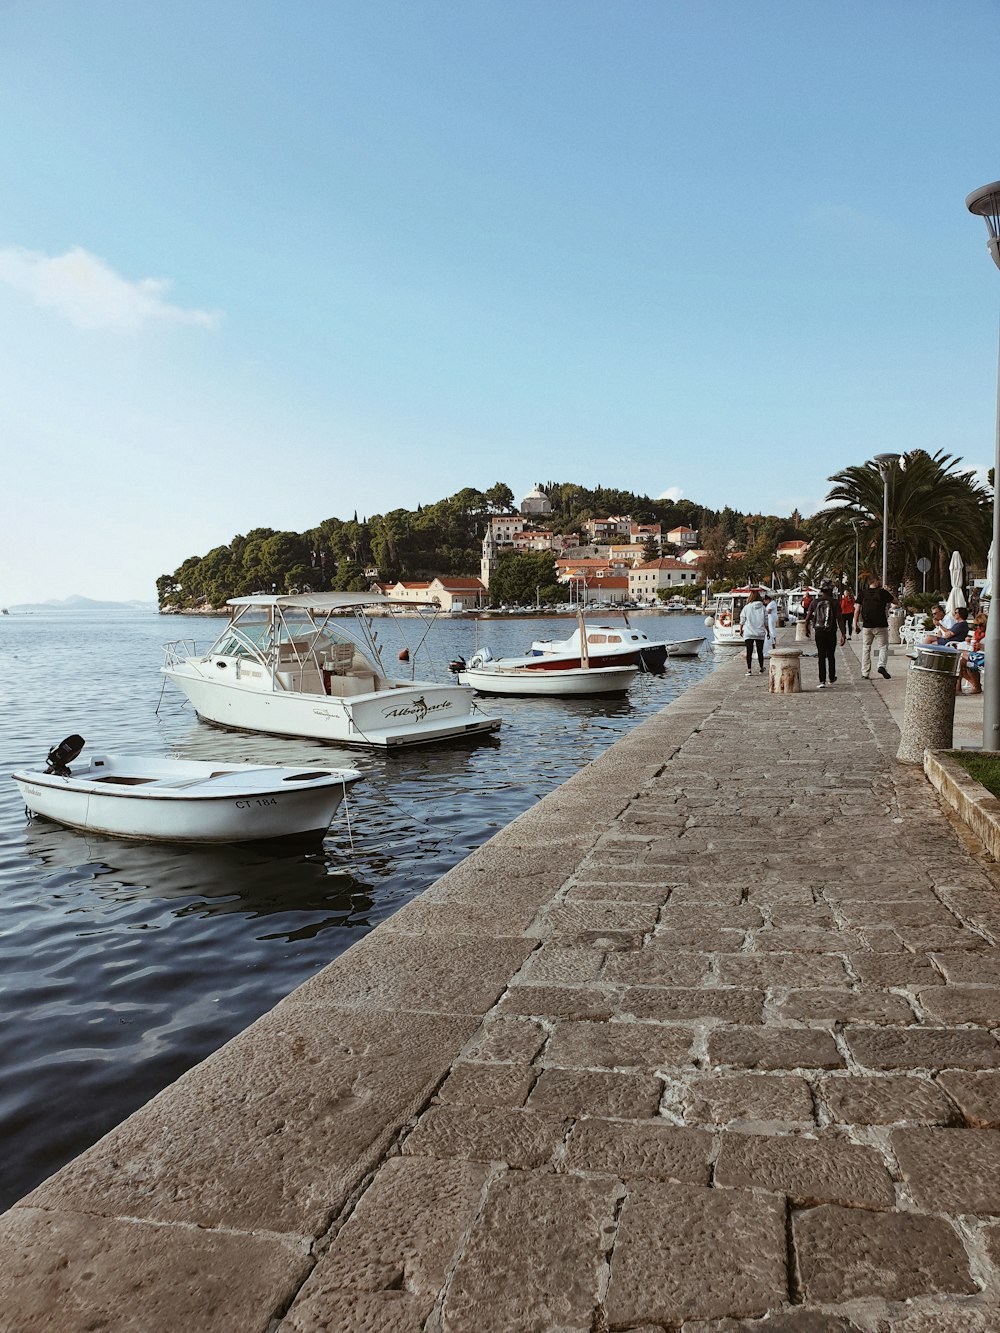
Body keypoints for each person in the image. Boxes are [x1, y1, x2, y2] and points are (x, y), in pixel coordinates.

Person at [854, 575, 898, 680]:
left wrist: (855, 624)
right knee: (883, 647)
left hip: (867, 626)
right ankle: (881, 666)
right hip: (881, 625)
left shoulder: (863, 593)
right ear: (876, 582)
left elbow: (857, 610)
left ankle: (865, 673)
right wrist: (887, 591)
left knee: (866, 648)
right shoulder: (882, 592)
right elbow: (896, 602)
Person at [805, 581, 846, 688]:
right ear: (830, 590)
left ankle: (822, 680)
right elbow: (839, 618)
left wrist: (806, 629)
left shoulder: (814, 602)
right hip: (831, 631)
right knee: (831, 655)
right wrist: (843, 634)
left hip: (819, 632)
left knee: (821, 655)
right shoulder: (835, 602)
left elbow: (808, 618)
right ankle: (831, 678)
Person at [739, 589, 768, 675]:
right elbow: (766, 621)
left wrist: (741, 630)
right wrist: (768, 631)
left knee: (749, 651)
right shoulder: (763, 608)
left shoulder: (746, 607)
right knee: (760, 651)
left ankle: (749, 670)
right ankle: (761, 668)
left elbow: (742, 620)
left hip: (749, 632)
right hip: (760, 632)